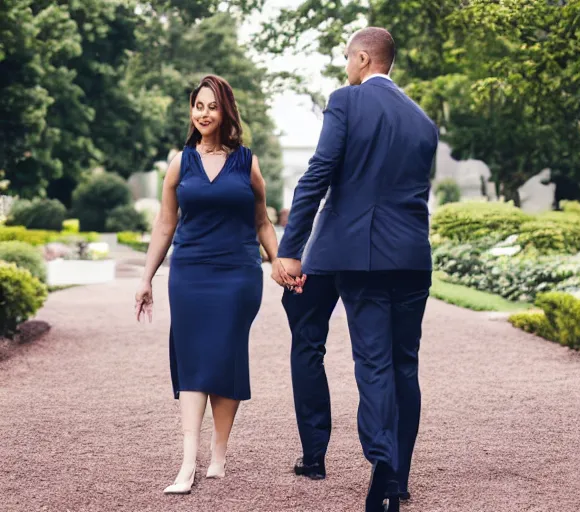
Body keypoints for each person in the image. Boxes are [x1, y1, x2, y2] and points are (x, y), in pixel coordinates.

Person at [275, 27, 438, 512]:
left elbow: (318, 173)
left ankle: (384, 473)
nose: (346, 66)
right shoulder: (423, 120)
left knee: (373, 362)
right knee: (404, 364)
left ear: (363, 58)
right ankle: (401, 477)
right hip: (412, 257)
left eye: (348, 58)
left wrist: (291, 247)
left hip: (364, 258)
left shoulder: (346, 101)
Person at [134, 74, 295, 495]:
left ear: (226, 111)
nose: (203, 114)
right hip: (189, 273)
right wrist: (146, 276)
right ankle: (188, 461)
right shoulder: (180, 162)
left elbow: (262, 221)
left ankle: (219, 452)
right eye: (197, 106)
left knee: (225, 356)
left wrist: (279, 263)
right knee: (191, 359)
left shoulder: (247, 162)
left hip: (238, 274)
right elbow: (165, 224)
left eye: (211, 106)